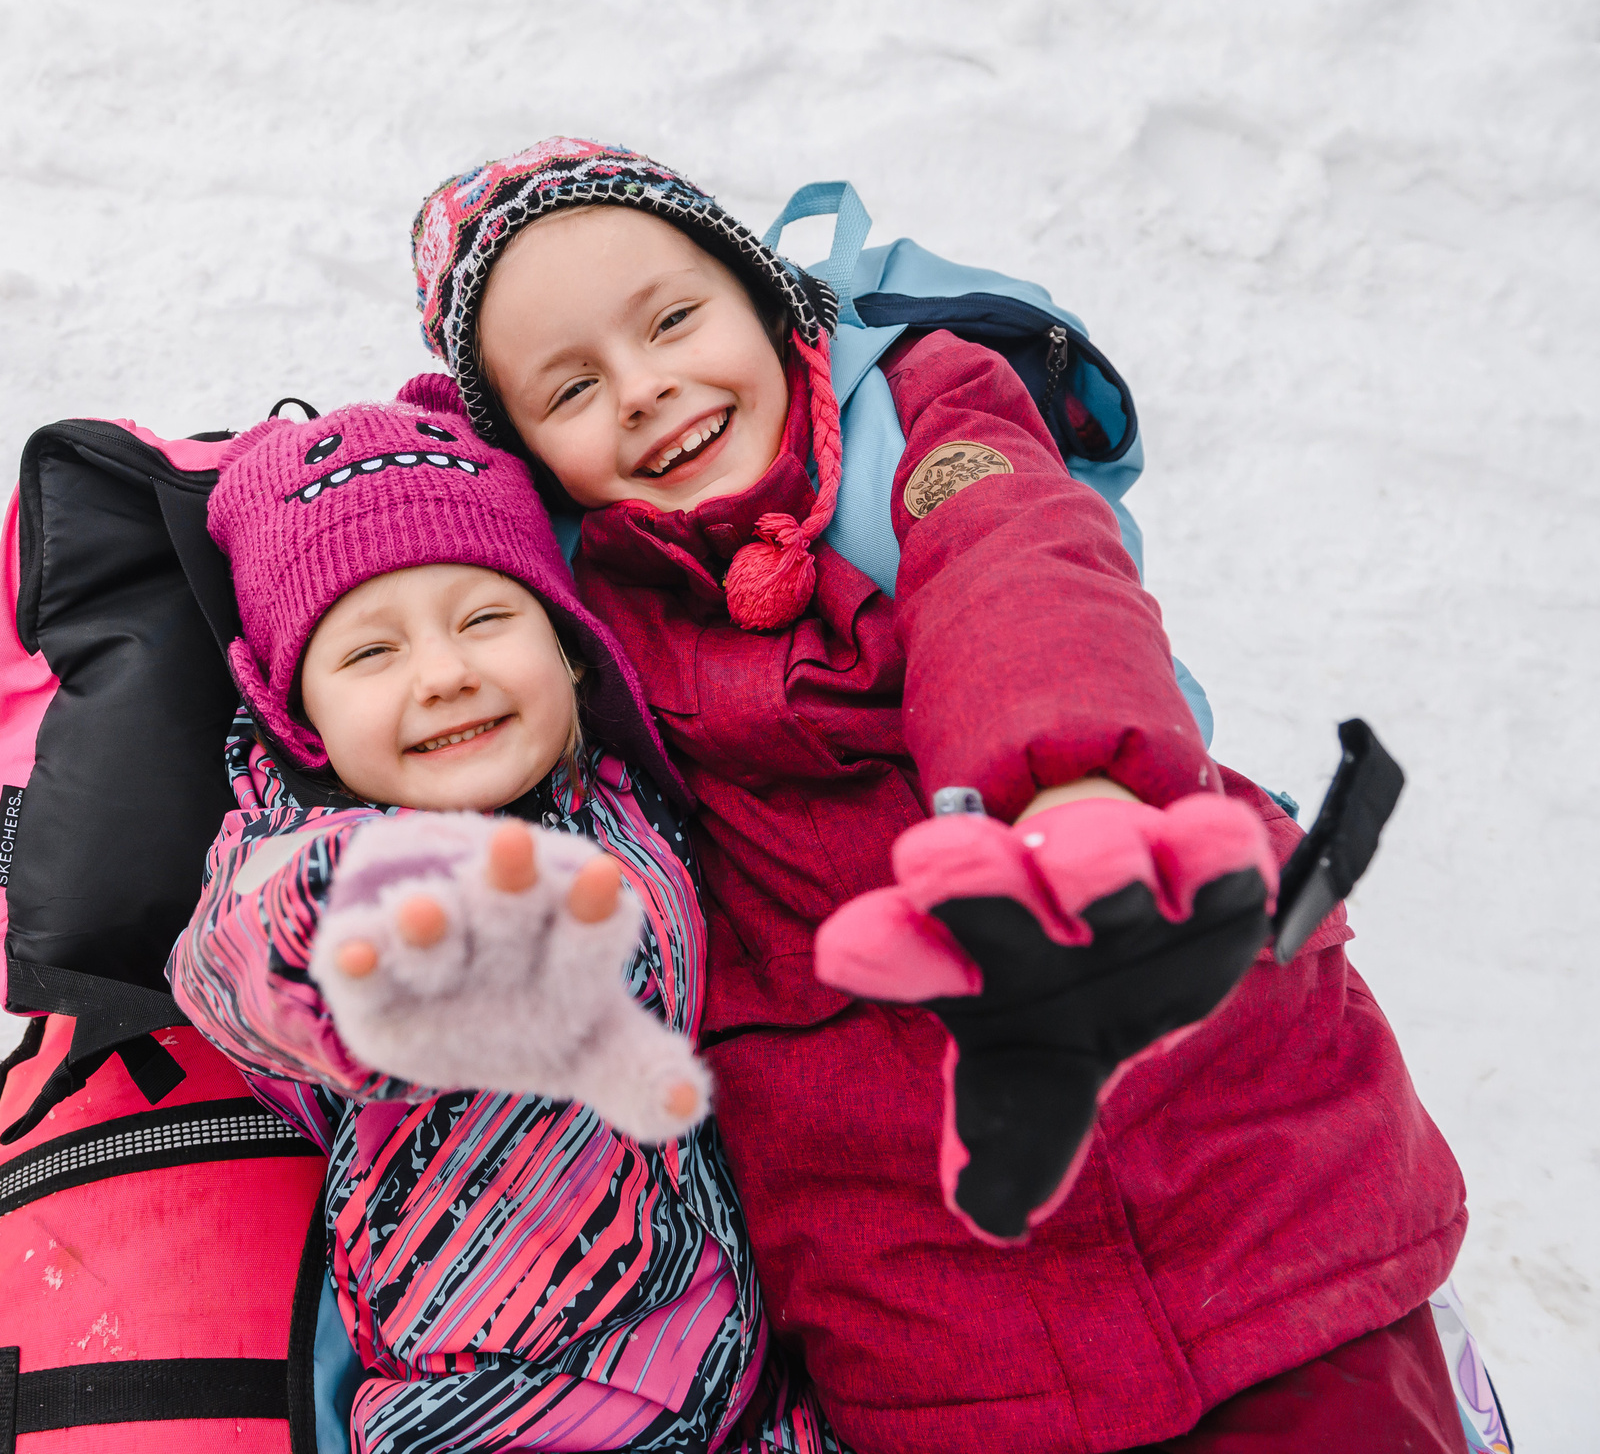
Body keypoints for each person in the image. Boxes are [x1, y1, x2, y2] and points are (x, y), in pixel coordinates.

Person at [402, 139, 1470, 1454]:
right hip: (934, 1322)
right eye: (570, 387)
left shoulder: (928, 422)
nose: (645, 388)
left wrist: (1072, 803)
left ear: (764, 294)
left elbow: (1015, 573)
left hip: (1258, 1205)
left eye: (673, 317)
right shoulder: (577, 621)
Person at [168, 392, 839, 1454]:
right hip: (493, 1410)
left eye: (486, 618)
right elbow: (229, 961)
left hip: (737, 1377)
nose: (445, 673)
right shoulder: (299, 840)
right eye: (369, 654)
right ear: (302, 714)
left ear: (569, 647)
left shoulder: (630, 802)